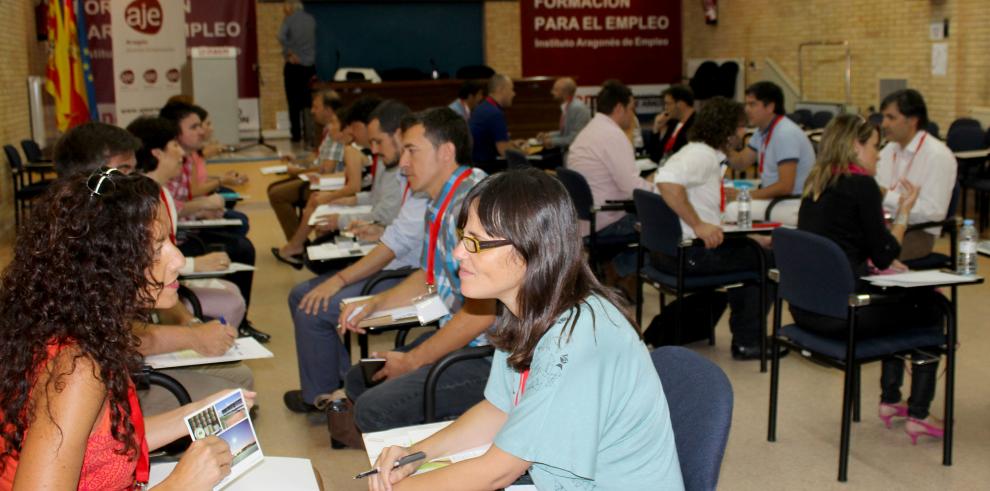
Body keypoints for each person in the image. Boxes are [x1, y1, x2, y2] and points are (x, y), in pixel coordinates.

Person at [368, 169, 683, 491]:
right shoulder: (528, 309)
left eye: (476, 242)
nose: (458, 252)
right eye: (464, 237)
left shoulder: (577, 338)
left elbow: (498, 471)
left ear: (530, 249)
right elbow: (499, 409)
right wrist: (416, 454)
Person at [0, 170, 255, 489]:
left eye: (169, 240)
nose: (177, 259)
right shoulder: (78, 370)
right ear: (107, 265)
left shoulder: (86, 330)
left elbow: (106, 442)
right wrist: (179, 484)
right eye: (156, 247)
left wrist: (196, 412)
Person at [339, 107, 493, 433]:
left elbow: (483, 313)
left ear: (446, 152)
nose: (403, 162)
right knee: (360, 378)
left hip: (490, 356)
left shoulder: (471, 208)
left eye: (412, 151)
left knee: (374, 405)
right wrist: (375, 304)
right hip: (460, 336)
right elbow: (429, 278)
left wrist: (412, 361)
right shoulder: (438, 202)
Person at [795, 113, 946, 442]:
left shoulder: (817, 183)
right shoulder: (860, 184)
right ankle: (917, 412)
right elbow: (885, 252)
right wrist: (904, 212)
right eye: (875, 147)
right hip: (845, 313)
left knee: (902, 300)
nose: (879, 154)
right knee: (933, 306)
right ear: (854, 146)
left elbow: (844, 242)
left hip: (809, 310)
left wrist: (877, 263)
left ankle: (891, 401)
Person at [283, 101, 426, 413]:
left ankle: (321, 397)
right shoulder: (406, 175)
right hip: (395, 268)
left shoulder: (422, 183)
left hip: (405, 278)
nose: (373, 150)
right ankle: (334, 383)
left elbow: (394, 242)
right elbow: (394, 230)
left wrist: (339, 280)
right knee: (299, 295)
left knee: (312, 307)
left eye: (378, 142)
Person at [127, 116, 254, 414]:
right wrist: (191, 334)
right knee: (232, 392)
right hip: (131, 389)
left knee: (238, 379)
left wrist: (189, 327)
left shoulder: (154, 197)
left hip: (135, 371)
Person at [653, 96, 779, 360]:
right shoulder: (703, 157)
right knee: (767, 260)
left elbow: (706, 211)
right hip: (691, 255)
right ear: (727, 129)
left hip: (670, 253)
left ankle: (745, 335)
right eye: (741, 127)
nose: (743, 133)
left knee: (753, 250)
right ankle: (748, 341)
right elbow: (665, 182)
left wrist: (751, 237)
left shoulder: (698, 152)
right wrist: (697, 224)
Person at [566, 80, 653, 291]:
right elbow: (631, 187)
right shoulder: (612, 135)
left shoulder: (589, 131)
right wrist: (660, 190)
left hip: (586, 220)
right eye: (631, 109)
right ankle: (618, 268)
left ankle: (615, 270)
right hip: (607, 220)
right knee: (663, 227)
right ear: (619, 108)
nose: (633, 115)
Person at [273, 97, 380, 266]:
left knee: (317, 201)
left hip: (362, 198)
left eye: (335, 124)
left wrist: (329, 196)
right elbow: (349, 177)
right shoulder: (358, 149)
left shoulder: (351, 150)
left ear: (348, 128)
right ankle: (299, 244)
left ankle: (298, 245)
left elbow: (354, 185)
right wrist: (324, 181)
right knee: (316, 198)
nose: (330, 127)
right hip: (364, 196)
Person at [875, 89, 957, 260]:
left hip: (916, 233)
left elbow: (933, 213)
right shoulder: (889, 149)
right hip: (883, 225)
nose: (883, 124)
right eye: (883, 117)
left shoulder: (938, 156)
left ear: (912, 120)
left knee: (863, 253)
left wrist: (885, 196)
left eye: (891, 117)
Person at [726, 81, 815, 225]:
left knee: (732, 210)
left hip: (793, 204)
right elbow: (741, 162)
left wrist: (744, 195)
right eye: (746, 104)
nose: (747, 109)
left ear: (770, 107)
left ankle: (756, 245)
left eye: (752, 104)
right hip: (780, 199)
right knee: (730, 205)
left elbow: (785, 186)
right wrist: (722, 144)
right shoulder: (762, 131)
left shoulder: (785, 133)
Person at [267, 88, 346, 242]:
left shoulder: (337, 131)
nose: (312, 111)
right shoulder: (328, 129)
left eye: (316, 107)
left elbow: (327, 169)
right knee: (273, 189)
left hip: (326, 185)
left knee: (277, 194)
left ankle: (298, 243)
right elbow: (317, 158)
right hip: (319, 179)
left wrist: (297, 171)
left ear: (328, 110)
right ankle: (299, 240)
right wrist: (297, 160)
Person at [278, 0, 317, 143]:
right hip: (310, 67)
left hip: (294, 67)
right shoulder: (312, 19)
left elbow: (280, 36)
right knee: (308, 102)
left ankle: (296, 135)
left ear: (290, 7)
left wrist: (289, 52)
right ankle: (311, 135)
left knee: (293, 102)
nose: (284, 9)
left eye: (285, 6)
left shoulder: (289, 20)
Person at [469, 73, 525, 172]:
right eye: (511, 89)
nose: (513, 93)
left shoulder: (481, 107)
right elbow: (504, 150)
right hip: (487, 169)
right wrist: (524, 151)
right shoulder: (494, 113)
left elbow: (488, 141)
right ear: (501, 89)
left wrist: (511, 143)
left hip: (476, 165)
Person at [536, 77, 591, 151]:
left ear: (565, 92)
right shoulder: (568, 106)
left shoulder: (577, 108)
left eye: (555, 90)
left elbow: (575, 138)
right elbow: (565, 133)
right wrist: (548, 135)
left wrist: (551, 141)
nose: (552, 92)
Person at [647, 84, 696, 164]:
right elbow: (655, 157)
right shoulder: (674, 123)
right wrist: (656, 128)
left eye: (668, 103)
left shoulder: (695, 125)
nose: (665, 108)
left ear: (681, 104)